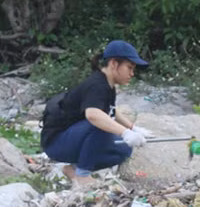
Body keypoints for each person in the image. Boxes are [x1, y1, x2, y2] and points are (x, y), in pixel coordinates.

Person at [41, 40, 154, 186]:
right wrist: (125, 133)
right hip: (56, 143)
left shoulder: (108, 85)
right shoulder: (97, 85)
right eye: (129, 68)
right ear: (114, 64)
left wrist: (133, 129)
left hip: (73, 139)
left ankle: (73, 169)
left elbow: (112, 111)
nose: (132, 74)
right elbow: (93, 115)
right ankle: (83, 175)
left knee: (123, 150)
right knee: (100, 125)